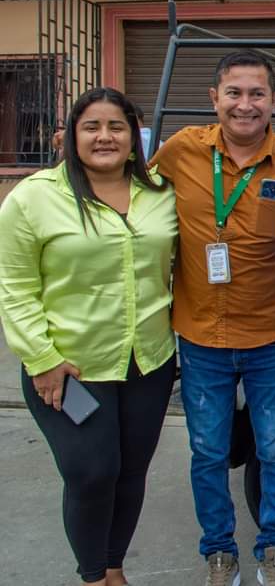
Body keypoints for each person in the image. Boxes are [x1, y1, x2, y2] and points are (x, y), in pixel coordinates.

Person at [0, 87, 176, 586]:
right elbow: (14, 286)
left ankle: (114, 569)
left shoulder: (160, 193)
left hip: (148, 361)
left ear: (134, 136)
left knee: (131, 471)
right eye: (91, 126)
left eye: (116, 126)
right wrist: (41, 358)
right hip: (69, 367)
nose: (105, 137)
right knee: (92, 472)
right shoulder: (34, 197)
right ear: (70, 136)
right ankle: (94, 576)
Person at [152, 51, 275, 586]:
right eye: (234, 93)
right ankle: (219, 553)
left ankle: (273, 550)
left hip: (270, 335)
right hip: (201, 336)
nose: (245, 104)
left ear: (273, 102)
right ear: (214, 98)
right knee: (207, 452)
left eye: (257, 94)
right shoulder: (181, 151)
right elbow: (133, 198)